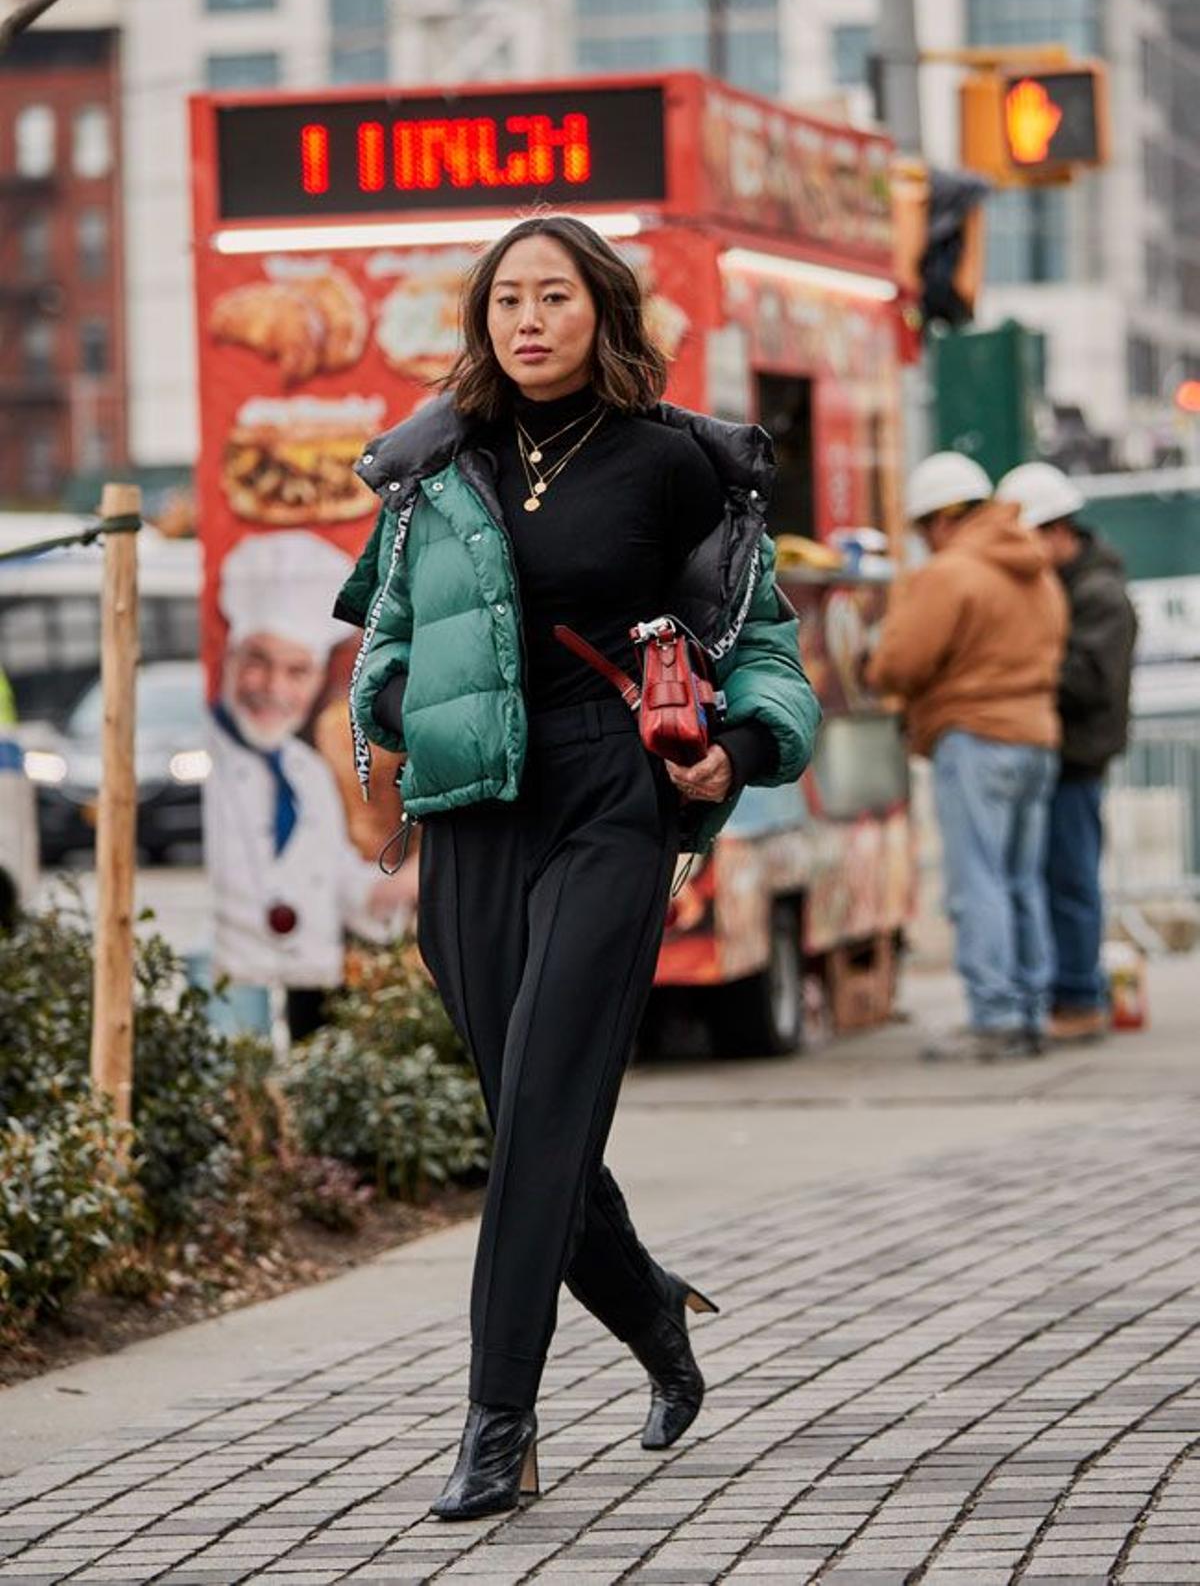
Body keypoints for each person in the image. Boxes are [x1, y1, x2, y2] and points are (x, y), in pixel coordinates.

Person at [335, 215, 820, 1519]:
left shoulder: (675, 464)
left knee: (547, 1102)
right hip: (473, 810)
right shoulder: (437, 466)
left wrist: (743, 741)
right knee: (531, 1119)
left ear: (604, 313)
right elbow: (381, 639)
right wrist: (396, 701)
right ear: (484, 323)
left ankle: (498, 1424)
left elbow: (765, 647)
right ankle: (657, 1316)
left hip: (613, 798)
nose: (529, 319)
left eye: (555, 295)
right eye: (507, 301)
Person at [865, 452, 1068, 1060]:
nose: (927, 540)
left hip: (975, 736)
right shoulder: (1037, 569)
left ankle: (995, 1015)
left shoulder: (953, 573)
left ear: (947, 518)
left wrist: (872, 669)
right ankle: (1030, 1008)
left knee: (977, 881)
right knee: (1021, 881)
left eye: (927, 526)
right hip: (1037, 737)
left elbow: (902, 662)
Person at [207, 530, 409, 1043]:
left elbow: (342, 884)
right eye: (259, 661)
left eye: (296, 671)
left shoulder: (308, 772)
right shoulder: (199, 758)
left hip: (306, 997)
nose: (275, 689)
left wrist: (410, 881)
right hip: (227, 997)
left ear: (318, 679)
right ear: (231, 657)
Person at [996, 462, 1138, 1041]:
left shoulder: (1098, 595)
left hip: (1077, 760)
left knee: (1071, 879)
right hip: (1060, 753)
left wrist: (1023, 667)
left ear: (1058, 532)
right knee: (1054, 877)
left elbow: (1088, 680)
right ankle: (1066, 991)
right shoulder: (1072, 586)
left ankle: (1078, 997)